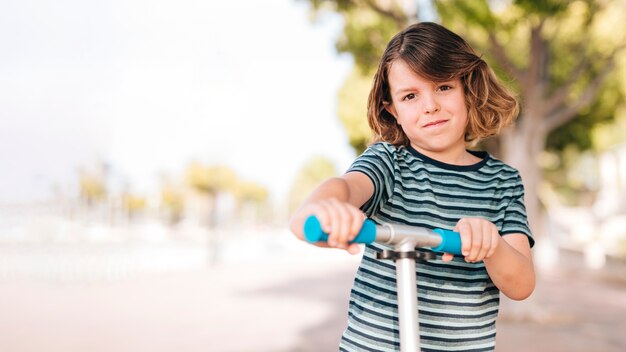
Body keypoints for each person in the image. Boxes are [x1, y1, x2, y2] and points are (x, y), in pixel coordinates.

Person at [289, 22, 535, 351]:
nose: (429, 105)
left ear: (467, 89)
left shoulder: (502, 182)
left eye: (443, 87)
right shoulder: (388, 163)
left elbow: (521, 284)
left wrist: (492, 247)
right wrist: (327, 208)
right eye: (410, 96)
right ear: (393, 110)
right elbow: (345, 189)